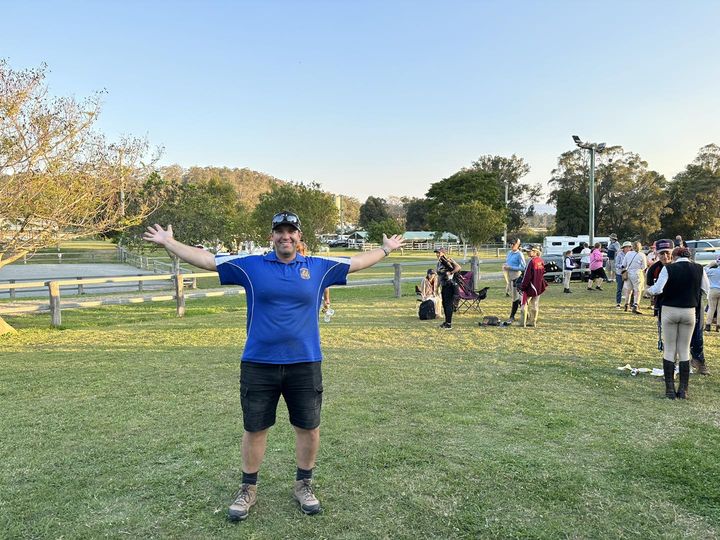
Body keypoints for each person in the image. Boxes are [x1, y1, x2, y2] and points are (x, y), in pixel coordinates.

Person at [143, 212, 403, 521]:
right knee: (255, 428)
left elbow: (356, 262)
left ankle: (304, 484)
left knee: (308, 427)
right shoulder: (251, 266)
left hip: (305, 364)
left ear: (299, 236)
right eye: (279, 231)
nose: (285, 236)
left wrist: (386, 248)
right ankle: (248, 489)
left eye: (291, 231)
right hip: (258, 364)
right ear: (272, 237)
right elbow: (207, 260)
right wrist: (170, 242)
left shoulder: (318, 267)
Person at [646, 246, 709, 399]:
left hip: (670, 310)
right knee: (684, 349)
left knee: (669, 348)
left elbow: (658, 289)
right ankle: (683, 390)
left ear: (674, 256)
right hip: (689, 311)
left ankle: (669, 390)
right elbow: (706, 289)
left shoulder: (669, 269)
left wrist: (647, 291)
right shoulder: (699, 269)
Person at [645, 239, 674, 351]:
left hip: (680, 303)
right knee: (666, 331)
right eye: (662, 253)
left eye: (668, 253)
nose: (665, 256)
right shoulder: (654, 268)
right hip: (662, 304)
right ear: (657, 254)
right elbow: (649, 287)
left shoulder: (679, 266)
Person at [518, 244, 546, 327]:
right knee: (535, 304)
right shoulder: (541, 261)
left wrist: (522, 286)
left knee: (524, 304)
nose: (527, 253)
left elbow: (527, 276)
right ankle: (532, 322)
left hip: (530, 287)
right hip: (538, 286)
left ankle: (522, 323)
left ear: (535, 251)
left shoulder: (532, 261)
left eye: (529, 251)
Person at [435, 248, 462, 329]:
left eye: (439, 252)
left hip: (450, 285)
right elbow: (439, 276)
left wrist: (451, 272)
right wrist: (437, 287)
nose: (437, 254)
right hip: (444, 285)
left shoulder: (447, 260)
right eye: (436, 253)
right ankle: (446, 322)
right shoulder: (439, 262)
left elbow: (458, 267)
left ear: (443, 253)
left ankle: (449, 324)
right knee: (444, 304)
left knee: (448, 305)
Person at [502, 238, 526, 323]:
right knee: (517, 298)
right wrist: (505, 266)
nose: (511, 246)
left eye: (513, 244)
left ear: (517, 245)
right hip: (509, 277)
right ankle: (526, 313)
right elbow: (508, 263)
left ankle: (512, 316)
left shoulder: (519, 254)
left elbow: (523, 268)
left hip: (516, 277)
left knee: (515, 298)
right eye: (510, 244)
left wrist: (511, 267)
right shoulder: (509, 253)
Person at [620, 241, 647, 314]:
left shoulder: (628, 253)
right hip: (637, 273)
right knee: (637, 290)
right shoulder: (642, 255)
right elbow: (644, 267)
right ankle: (635, 305)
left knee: (628, 290)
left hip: (628, 272)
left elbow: (623, 264)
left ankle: (626, 304)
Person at [704, 255, 720, 332]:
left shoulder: (712, 271)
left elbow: (704, 270)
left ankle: (708, 325)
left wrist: (711, 264)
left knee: (711, 308)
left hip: (713, 290)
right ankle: (718, 326)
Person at [614, 241, 632, 308]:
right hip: (620, 273)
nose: (628, 248)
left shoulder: (632, 254)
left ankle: (629, 303)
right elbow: (616, 264)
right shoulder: (619, 254)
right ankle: (618, 303)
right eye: (626, 247)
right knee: (619, 288)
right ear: (623, 248)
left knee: (629, 288)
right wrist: (622, 266)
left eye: (629, 247)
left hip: (629, 272)